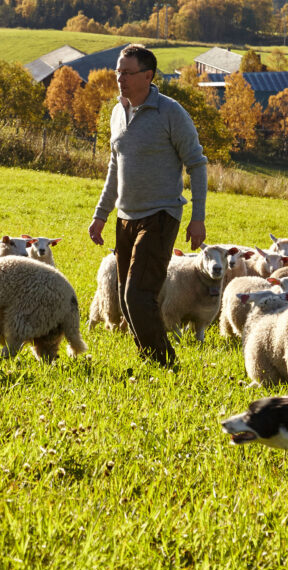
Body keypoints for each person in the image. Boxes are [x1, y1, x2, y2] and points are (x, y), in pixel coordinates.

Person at [88, 44, 208, 367]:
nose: (119, 78)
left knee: (137, 295)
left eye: (127, 73)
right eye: (118, 71)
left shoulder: (171, 112)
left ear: (148, 76)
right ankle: (151, 359)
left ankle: (165, 364)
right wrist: (101, 215)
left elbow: (197, 164)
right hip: (125, 218)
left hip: (160, 216)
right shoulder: (117, 113)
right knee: (128, 303)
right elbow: (115, 167)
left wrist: (198, 218)